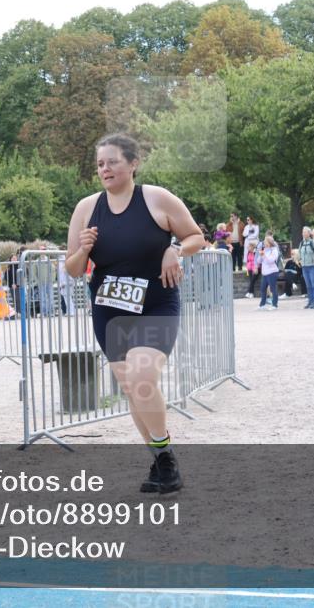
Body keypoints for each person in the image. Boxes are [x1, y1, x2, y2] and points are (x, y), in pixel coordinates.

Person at [65, 134, 204, 494]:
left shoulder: (157, 199)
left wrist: (175, 249)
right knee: (132, 388)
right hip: (110, 310)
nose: (105, 169)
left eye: (112, 162)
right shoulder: (86, 208)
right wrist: (84, 249)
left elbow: (196, 237)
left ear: (133, 163)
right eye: (99, 164)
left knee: (143, 377)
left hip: (157, 302)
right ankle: (162, 461)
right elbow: (73, 269)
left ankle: (166, 458)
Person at [298, 227, 314, 309]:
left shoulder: (312, 243)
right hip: (305, 267)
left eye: (305, 232)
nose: (304, 234)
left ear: (309, 234)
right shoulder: (301, 243)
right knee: (308, 285)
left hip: (313, 266)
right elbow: (299, 253)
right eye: (303, 232)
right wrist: (300, 260)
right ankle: (310, 301)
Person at [256, 234, 280, 310]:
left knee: (273, 289)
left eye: (265, 242)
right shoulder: (265, 250)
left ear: (270, 242)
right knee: (263, 289)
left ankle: (274, 304)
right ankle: (262, 304)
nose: (264, 243)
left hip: (272, 272)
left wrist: (264, 256)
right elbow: (258, 261)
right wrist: (260, 255)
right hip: (265, 273)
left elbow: (271, 260)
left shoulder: (274, 250)